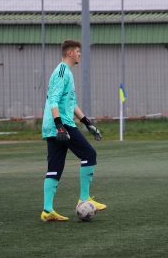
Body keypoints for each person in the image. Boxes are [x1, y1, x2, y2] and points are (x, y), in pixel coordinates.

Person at [40, 39, 106, 222]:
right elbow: (53, 100)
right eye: (78, 51)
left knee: (55, 167)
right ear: (70, 53)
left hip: (54, 124)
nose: (80, 54)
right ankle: (84, 198)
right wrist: (60, 126)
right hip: (61, 124)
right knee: (89, 154)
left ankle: (47, 210)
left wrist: (87, 122)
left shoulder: (66, 72)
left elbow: (71, 104)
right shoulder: (62, 72)